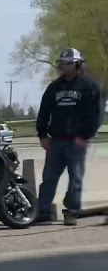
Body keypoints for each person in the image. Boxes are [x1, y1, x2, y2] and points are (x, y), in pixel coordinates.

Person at [35, 48, 103, 226]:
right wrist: (43, 135)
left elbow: (96, 115)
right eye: (62, 63)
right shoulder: (54, 87)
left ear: (78, 64)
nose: (64, 67)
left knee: (75, 179)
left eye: (68, 63)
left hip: (77, 142)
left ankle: (72, 212)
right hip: (56, 141)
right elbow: (43, 112)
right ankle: (43, 212)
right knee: (49, 178)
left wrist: (85, 135)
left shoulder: (89, 87)